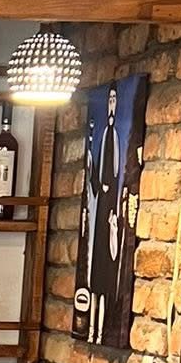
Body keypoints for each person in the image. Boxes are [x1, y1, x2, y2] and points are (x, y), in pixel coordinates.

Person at [82, 85, 122, 345]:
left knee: (105, 280)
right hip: (99, 210)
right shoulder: (104, 134)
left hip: (108, 210)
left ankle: (99, 332)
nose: (111, 104)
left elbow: (114, 173)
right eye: (109, 99)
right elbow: (96, 177)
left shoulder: (114, 135)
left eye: (114, 99)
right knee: (95, 277)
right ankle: (92, 331)